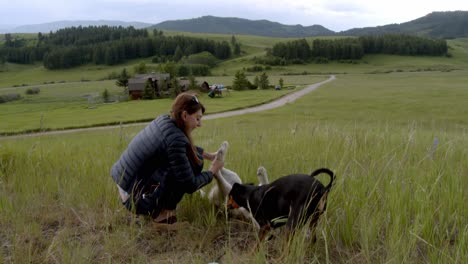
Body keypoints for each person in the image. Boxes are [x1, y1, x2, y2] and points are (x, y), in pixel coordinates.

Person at [111, 92, 224, 224]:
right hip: (134, 200)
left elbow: (182, 148)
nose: (200, 124)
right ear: (185, 115)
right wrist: (212, 171)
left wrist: (209, 155)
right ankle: (162, 216)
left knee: (192, 160)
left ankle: (156, 207)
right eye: (198, 119)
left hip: (125, 186)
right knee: (193, 166)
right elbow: (190, 184)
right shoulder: (175, 139)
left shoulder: (165, 121)